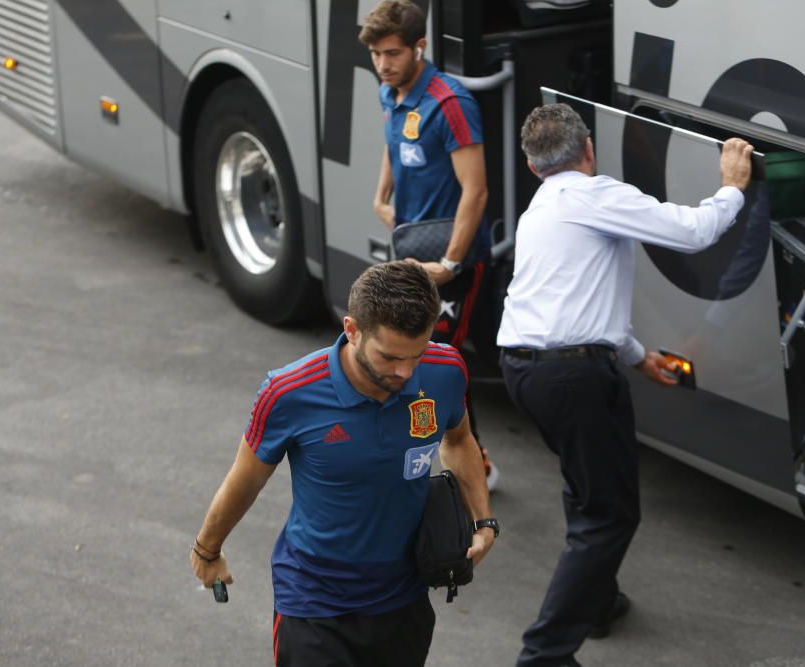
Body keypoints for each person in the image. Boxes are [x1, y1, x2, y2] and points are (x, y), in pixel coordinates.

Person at [497, 103, 753, 667]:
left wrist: (639, 360)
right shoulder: (595, 193)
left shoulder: (542, 207)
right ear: (587, 150)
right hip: (571, 375)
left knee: (586, 489)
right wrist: (733, 186)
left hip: (525, 368)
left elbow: (581, 303)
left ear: (532, 164)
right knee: (609, 515)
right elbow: (694, 231)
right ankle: (544, 655)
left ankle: (597, 601)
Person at [190, 260, 497, 667]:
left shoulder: (445, 370)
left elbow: (459, 440)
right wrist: (207, 549)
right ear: (352, 330)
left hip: (404, 597)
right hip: (314, 604)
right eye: (389, 357)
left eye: (416, 355)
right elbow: (245, 481)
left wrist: (484, 520)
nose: (405, 372)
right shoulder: (289, 393)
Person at [359, 0, 499, 490]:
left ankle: (473, 462)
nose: (383, 64)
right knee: (428, 353)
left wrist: (450, 263)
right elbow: (393, 143)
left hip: (452, 262)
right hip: (413, 252)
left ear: (420, 46)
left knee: (435, 358)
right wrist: (382, 195)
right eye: (376, 54)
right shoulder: (389, 90)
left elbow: (476, 190)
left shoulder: (451, 103)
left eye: (392, 53)